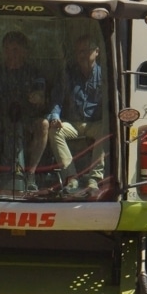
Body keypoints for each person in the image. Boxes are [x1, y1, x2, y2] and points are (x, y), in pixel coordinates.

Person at [0, 31, 50, 190]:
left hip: (28, 118)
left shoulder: (35, 73)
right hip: (1, 117)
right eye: (7, 49)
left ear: (25, 52)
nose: (11, 53)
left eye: (15, 49)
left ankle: (31, 174)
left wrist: (37, 98)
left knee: (43, 125)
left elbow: (41, 98)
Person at [49, 35, 106, 195]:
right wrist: (55, 116)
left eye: (86, 50)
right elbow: (57, 99)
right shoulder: (69, 74)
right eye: (79, 52)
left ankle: (94, 179)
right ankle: (71, 177)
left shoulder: (104, 76)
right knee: (54, 131)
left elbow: (112, 103)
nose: (83, 55)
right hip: (73, 123)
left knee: (105, 128)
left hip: (95, 124)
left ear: (97, 52)